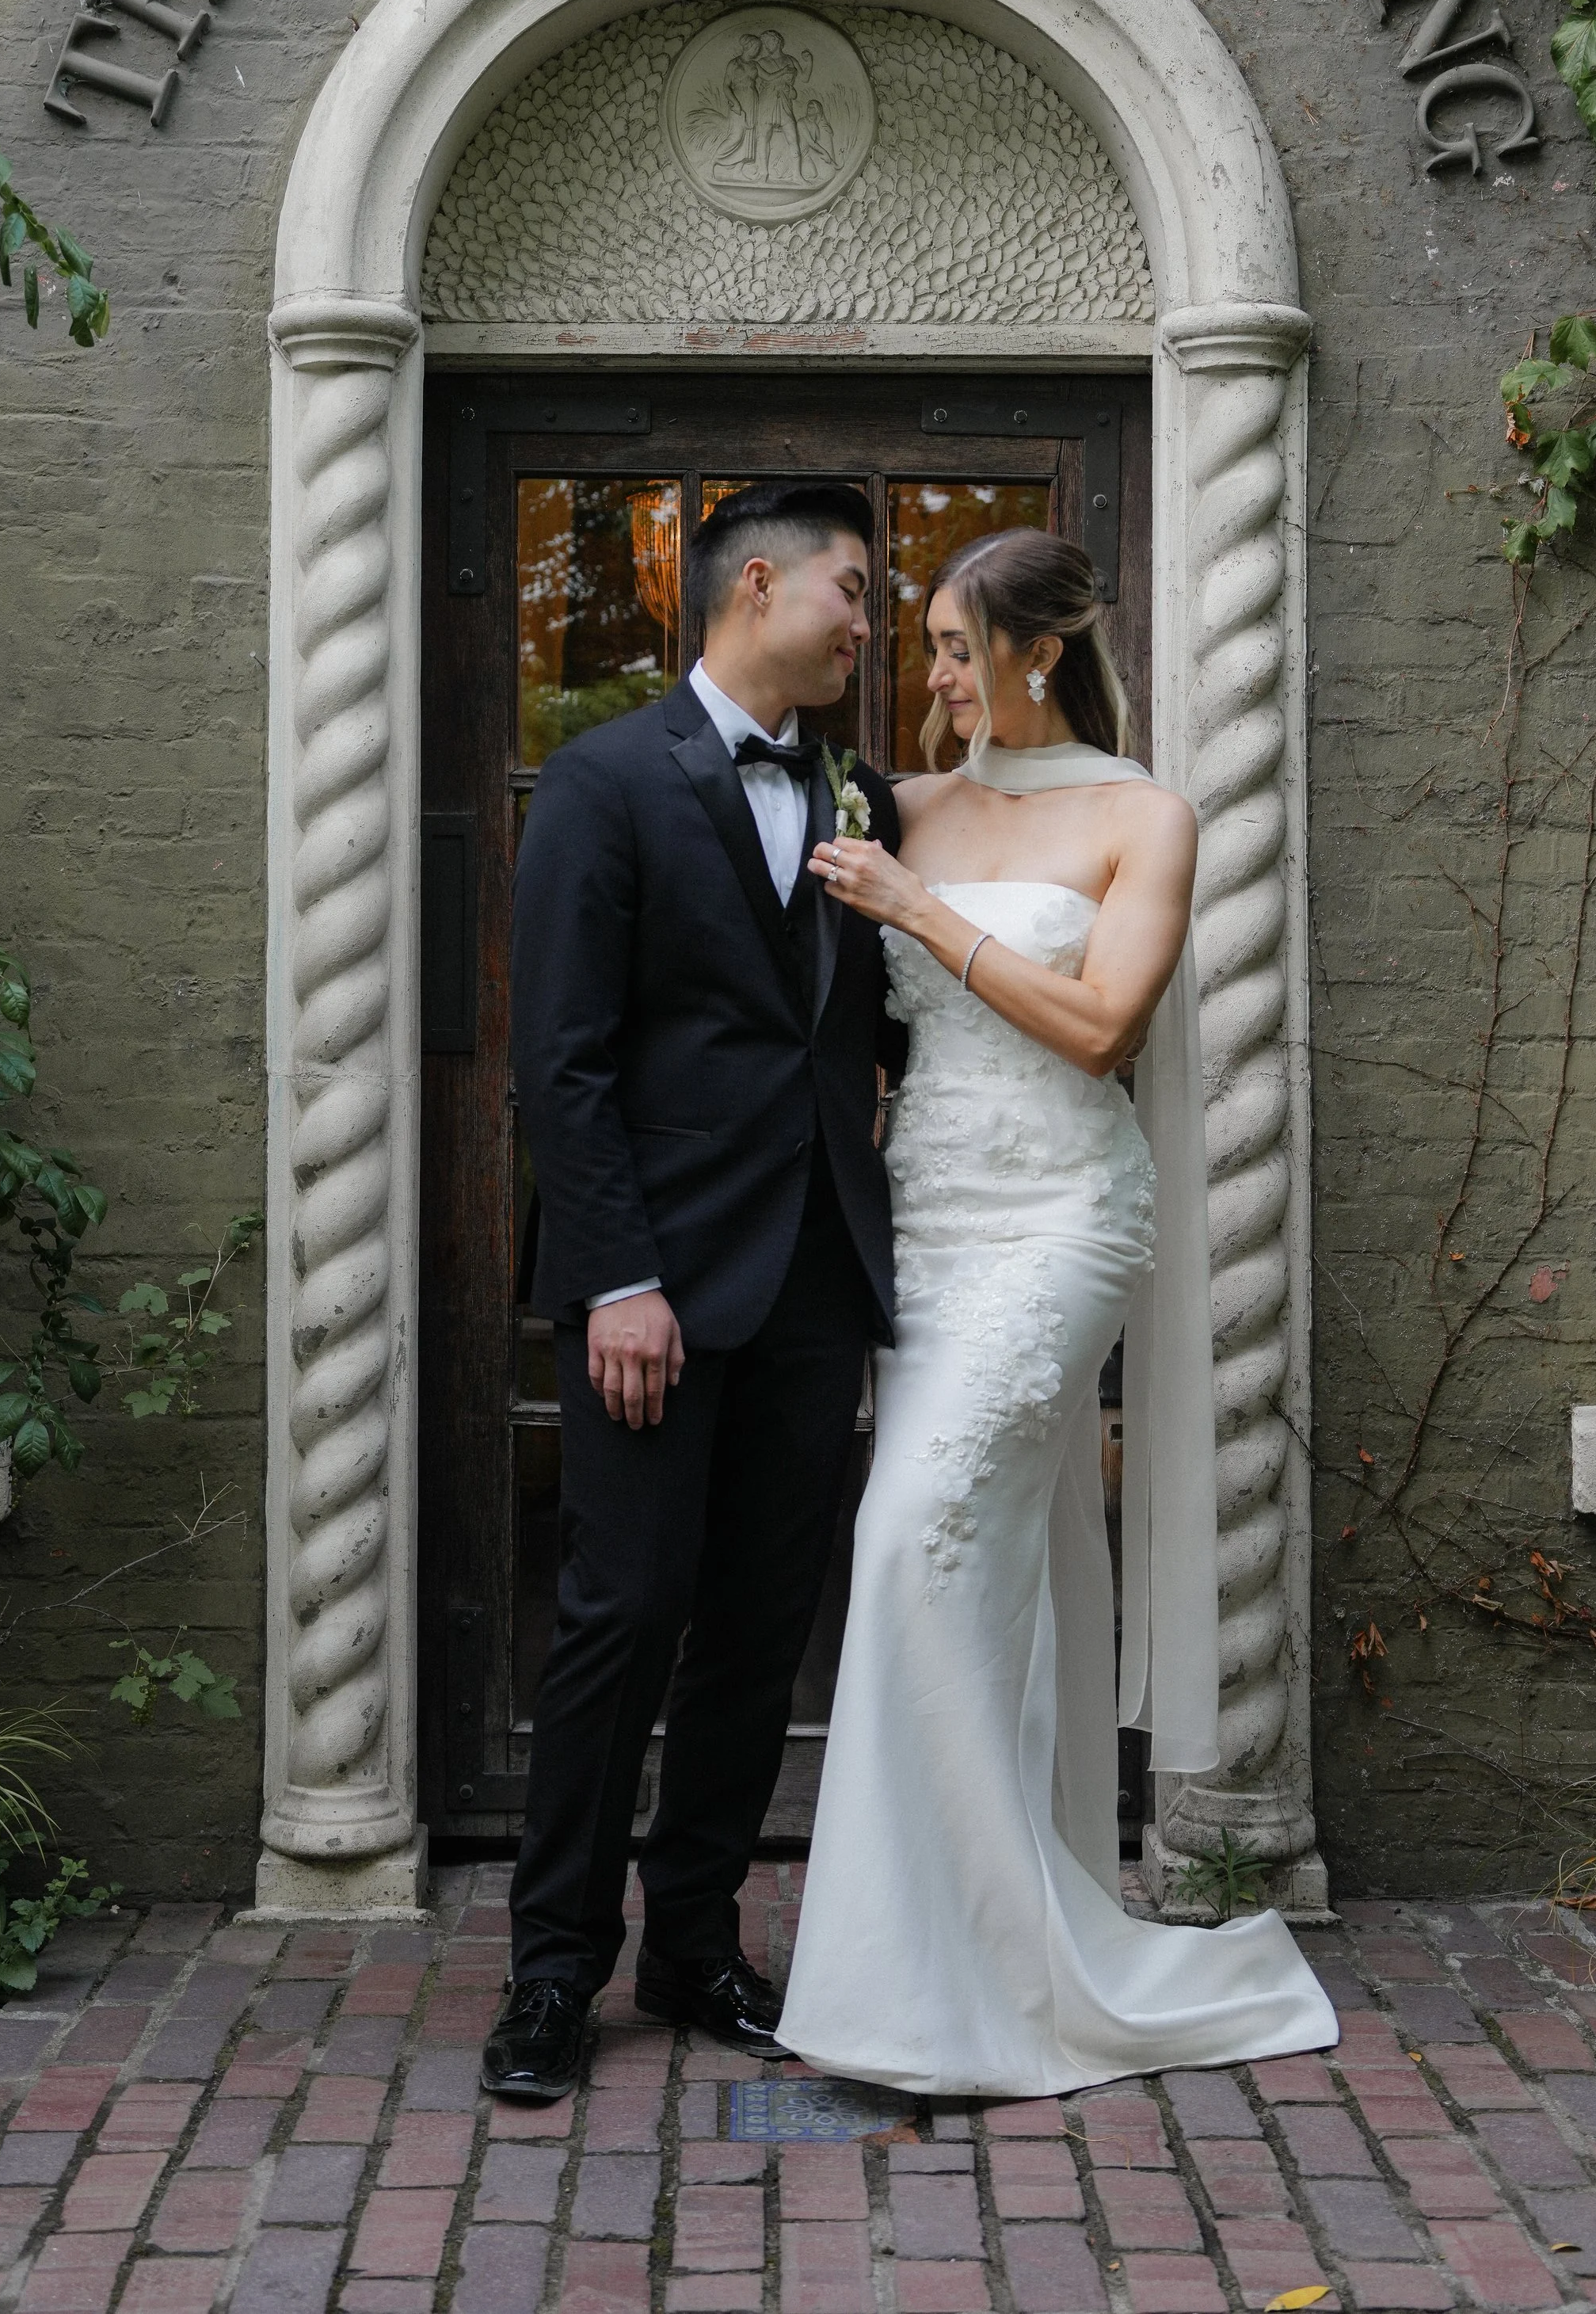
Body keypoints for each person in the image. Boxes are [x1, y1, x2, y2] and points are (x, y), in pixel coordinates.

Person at [777, 527, 1337, 2094]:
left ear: (1035, 650)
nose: (934, 678)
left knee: (909, 1544)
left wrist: (919, 913)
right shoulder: (899, 805)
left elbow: (1097, 1027)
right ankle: (959, 1950)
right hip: (926, 1229)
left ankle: (967, 1973)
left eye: (957, 648)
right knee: (986, 1572)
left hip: (1061, 1222)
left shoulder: (1142, 815)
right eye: (930, 652)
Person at [482, 481, 905, 2105]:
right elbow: (561, 1061)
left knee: (750, 1631)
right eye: (850, 593)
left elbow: (855, 1025)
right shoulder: (601, 783)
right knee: (617, 1617)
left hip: (812, 1279)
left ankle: (696, 1943)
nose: (864, 626)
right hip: (655, 1287)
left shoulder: (852, 789)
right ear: (753, 586)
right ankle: (550, 1975)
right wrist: (618, 1280)